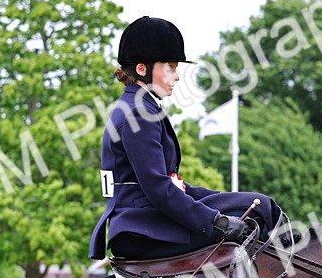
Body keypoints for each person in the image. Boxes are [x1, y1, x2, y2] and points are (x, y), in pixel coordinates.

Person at [89, 16, 284, 261]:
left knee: (259, 204)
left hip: (149, 221)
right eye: (170, 67)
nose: (177, 76)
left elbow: (174, 185)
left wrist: (221, 201)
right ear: (142, 69)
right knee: (255, 217)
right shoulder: (139, 113)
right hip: (142, 230)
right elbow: (159, 189)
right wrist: (217, 221)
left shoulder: (142, 106)